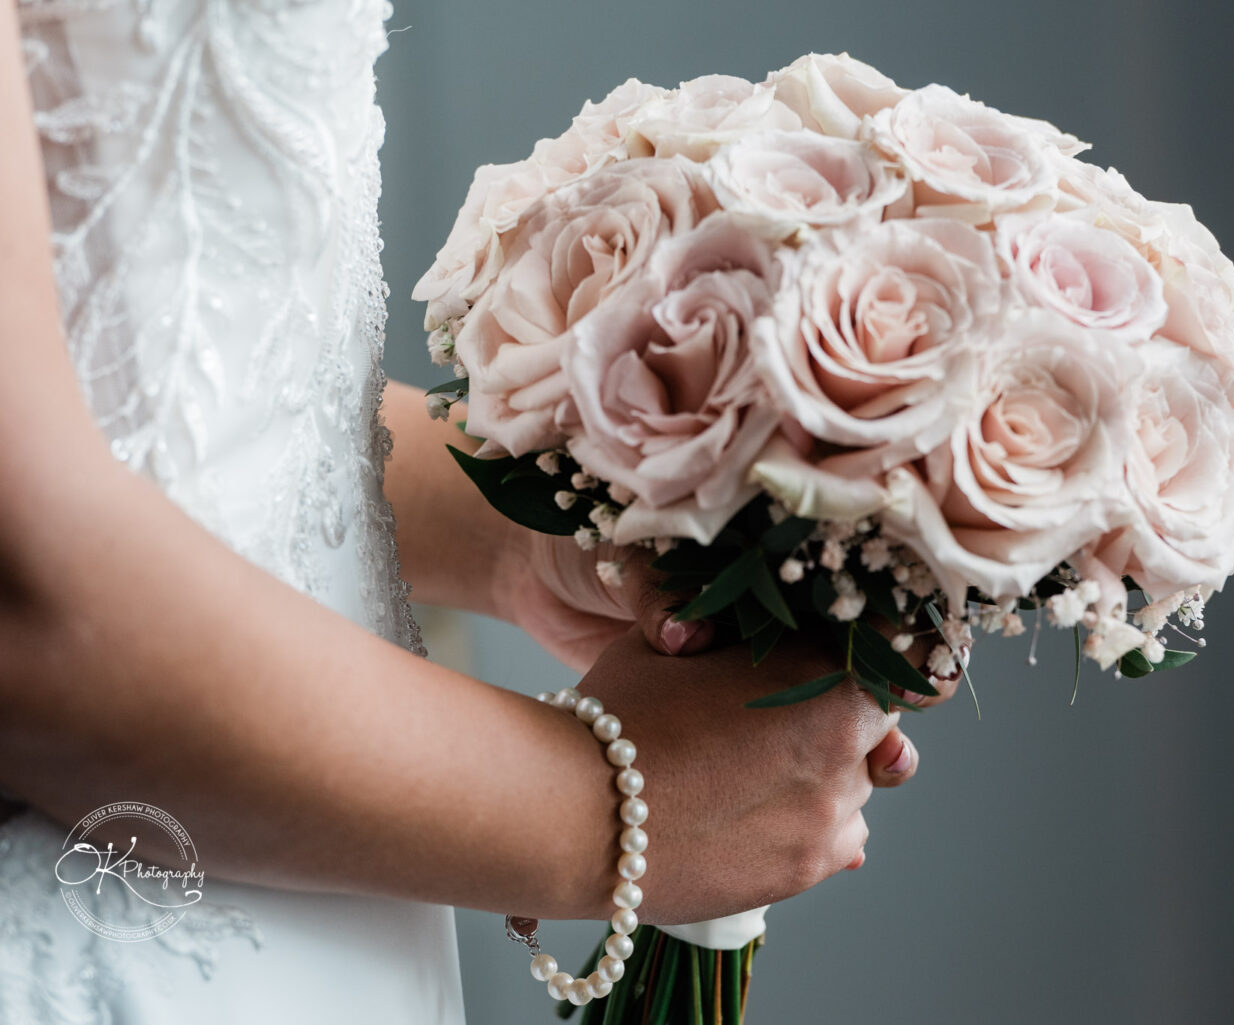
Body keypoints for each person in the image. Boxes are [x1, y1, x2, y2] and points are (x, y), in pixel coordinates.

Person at [0, 3, 947, 1022]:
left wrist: (533, 539)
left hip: (340, 924)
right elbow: (25, 605)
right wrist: (623, 814)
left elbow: (216, 413)